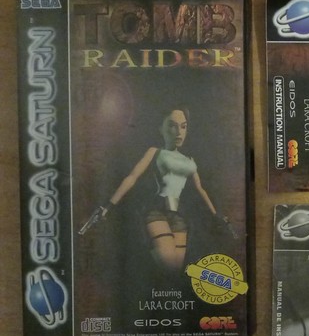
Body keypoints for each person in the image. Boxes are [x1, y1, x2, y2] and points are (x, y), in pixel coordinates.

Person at [82, 108, 230, 275]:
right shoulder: (155, 152)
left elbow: (200, 189)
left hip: (179, 215)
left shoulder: (190, 161)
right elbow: (132, 177)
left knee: (175, 268)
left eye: (183, 126)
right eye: (172, 126)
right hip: (157, 210)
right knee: (168, 263)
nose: (179, 132)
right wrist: (108, 205)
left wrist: (216, 214)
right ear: (161, 129)